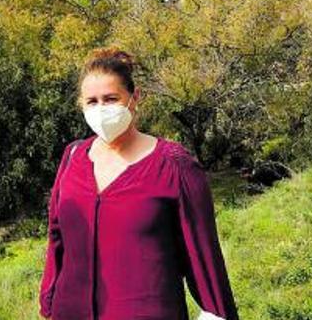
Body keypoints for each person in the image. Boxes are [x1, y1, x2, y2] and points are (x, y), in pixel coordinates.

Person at [38, 48, 239, 320]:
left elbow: (204, 256)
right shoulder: (72, 158)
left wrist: (218, 313)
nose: (101, 109)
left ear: (134, 97)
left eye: (111, 99)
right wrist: (49, 302)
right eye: (92, 101)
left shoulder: (174, 166)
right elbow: (57, 236)